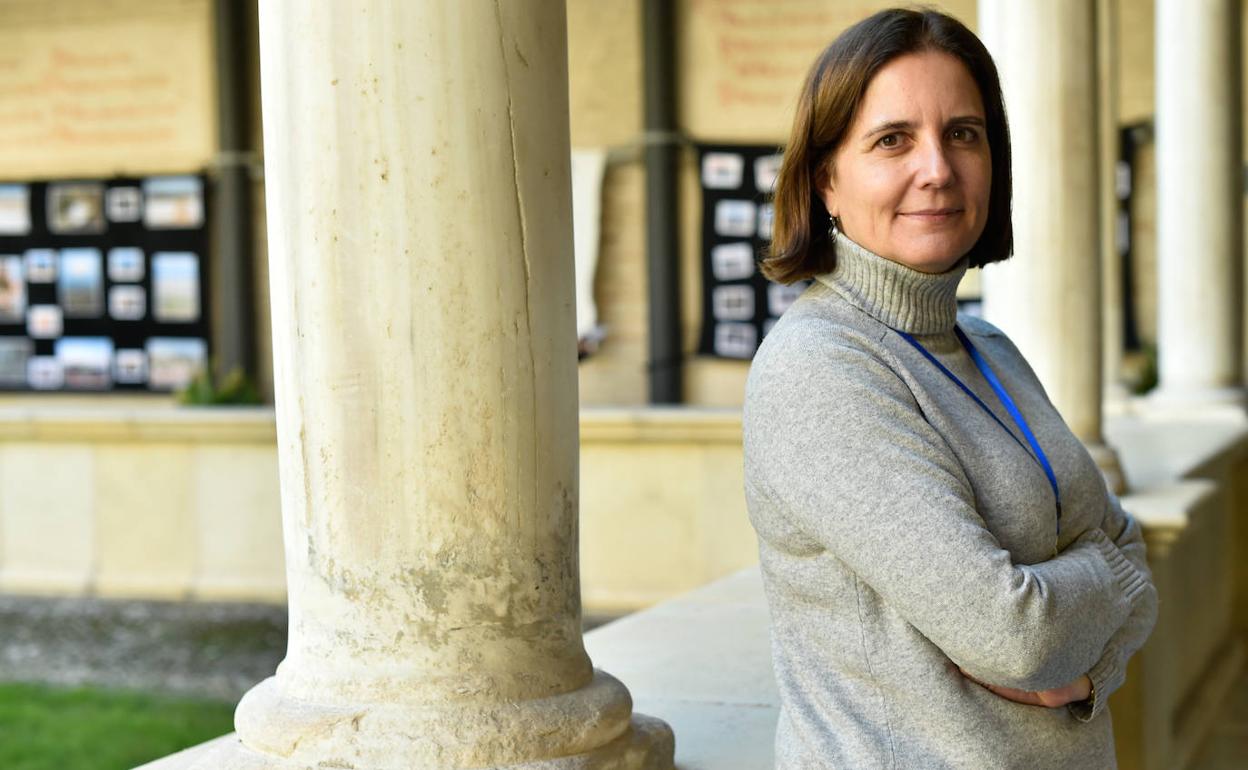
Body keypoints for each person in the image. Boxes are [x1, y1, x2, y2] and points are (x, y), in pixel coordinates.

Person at [743, 8, 1158, 769]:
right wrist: (1107, 580)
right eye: (892, 139)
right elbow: (1017, 635)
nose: (937, 168)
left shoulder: (990, 348)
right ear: (825, 180)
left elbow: (1133, 550)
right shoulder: (817, 368)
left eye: (963, 133)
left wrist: (1090, 664)